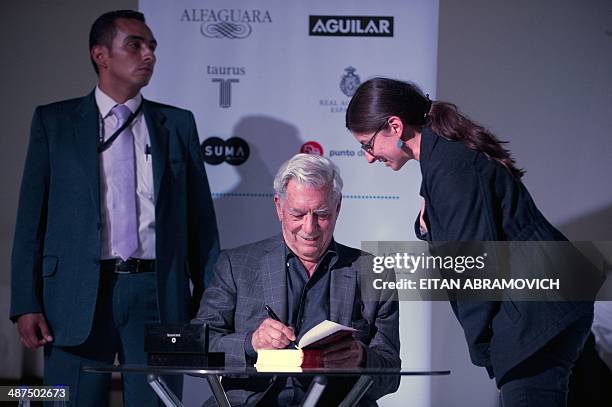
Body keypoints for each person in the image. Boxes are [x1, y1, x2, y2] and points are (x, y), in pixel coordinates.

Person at [10, 10, 219, 406]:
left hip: (157, 294)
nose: (149, 55)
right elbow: (29, 222)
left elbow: (201, 225)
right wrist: (26, 303)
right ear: (101, 55)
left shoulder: (177, 124)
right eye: (135, 45)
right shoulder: (53, 123)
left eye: (152, 46)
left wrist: (208, 301)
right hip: (73, 297)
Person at [345, 77, 593, 406]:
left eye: (367, 145)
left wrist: (484, 348)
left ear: (394, 126)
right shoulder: (442, 155)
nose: (369, 157)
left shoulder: (449, 168)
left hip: (538, 311)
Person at [193, 153, 400, 406]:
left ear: (338, 208)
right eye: (298, 214)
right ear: (279, 206)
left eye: (322, 214)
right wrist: (250, 343)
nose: (309, 228)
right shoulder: (236, 265)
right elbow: (196, 349)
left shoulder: (374, 272)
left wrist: (360, 358)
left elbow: (391, 374)